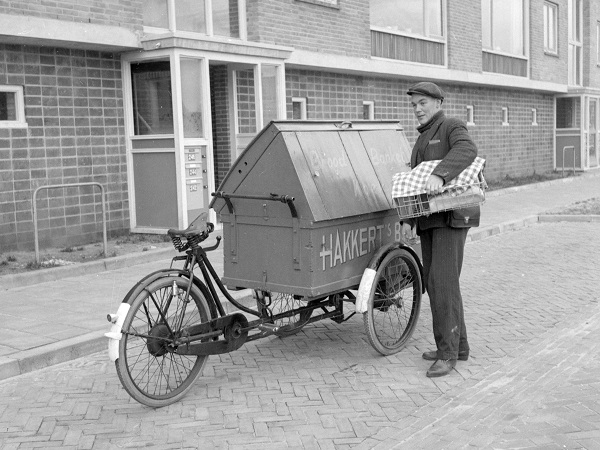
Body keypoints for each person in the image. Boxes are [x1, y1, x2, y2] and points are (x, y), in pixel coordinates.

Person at [401, 81, 479, 378]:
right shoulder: (421, 140)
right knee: (438, 284)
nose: (417, 110)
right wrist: (409, 220)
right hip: (430, 221)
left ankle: (447, 354)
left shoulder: (451, 126)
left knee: (442, 283)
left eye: (422, 103)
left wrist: (441, 174)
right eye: (414, 105)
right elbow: (415, 185)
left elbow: (467, 150)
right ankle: (458, 347)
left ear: (438, 103)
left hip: (451, 218)